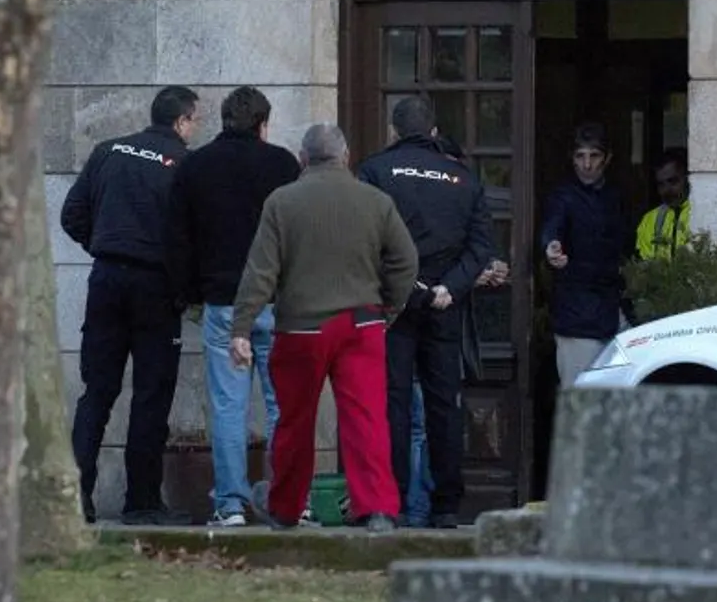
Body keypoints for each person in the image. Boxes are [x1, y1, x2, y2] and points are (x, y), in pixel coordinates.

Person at [229, 123, 417, 534]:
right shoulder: (376, 201)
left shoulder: (282, 202)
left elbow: (261, 271)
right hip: (361, 323)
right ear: (346, 156)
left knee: (295, 421)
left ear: (302, 158)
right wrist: (389, 306)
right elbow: (406, 261)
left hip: (301, 328)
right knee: (366, 419)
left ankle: (285, 507)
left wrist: (241, 327)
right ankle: (378, 509)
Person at [61, 86, 199, 526]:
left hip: (106, 279)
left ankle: (76, 497)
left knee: (96, 392)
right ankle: (141, 501)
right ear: (181, 122)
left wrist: (105, 245)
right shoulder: (184, 164)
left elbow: (72, 215)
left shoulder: (107, 151)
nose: (193, 131)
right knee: (151, 395)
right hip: (155, 287)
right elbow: (192, 236)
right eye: (193, 122)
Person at [166, 86, 300, 528]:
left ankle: (230, 503)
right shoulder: (282, 164)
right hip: (279, 302)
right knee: (283, 405)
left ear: (224, 120)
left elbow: (179, 240)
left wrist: (191, 294)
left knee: (228, 407)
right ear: (263, 124)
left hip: (223, 301)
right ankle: (286, 502)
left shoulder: (196, 165)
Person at [358, 97, 495, 530]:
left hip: (395, 305)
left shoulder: (377, 171)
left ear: (394, 130)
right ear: (434, 132)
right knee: (444, 404)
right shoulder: (464, 179)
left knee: (393, 403)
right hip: (444, 305)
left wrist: (412, 291)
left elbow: (370, 243)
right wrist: (447, 289)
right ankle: (446, 505)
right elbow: (480, 249)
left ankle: (392, 501)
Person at [540, 122, 631, 388]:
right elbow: (551, 228)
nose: (587, 164)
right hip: (576, 313)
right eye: (580, 156)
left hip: (613, 310)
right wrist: (551, 247)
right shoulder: (563, 196)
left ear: (607, 158)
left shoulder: (615, 196)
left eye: (594, 156)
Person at [636, 148, 692, 261]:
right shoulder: (649, 220)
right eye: (661, 184)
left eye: (673, 181)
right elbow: (645, 268)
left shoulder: (702, 214)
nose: (667, 190)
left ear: (688, 179)